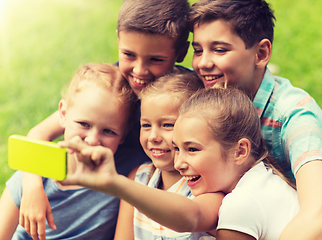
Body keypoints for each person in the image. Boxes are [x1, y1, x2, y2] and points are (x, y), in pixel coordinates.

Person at [18, 0, 191, 239]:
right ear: (119, 40)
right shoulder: (115, 89)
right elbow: (39, 134)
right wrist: (32, 188)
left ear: (181, 52)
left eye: (156, 60)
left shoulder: (185, 95)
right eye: (129, 55)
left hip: (146, 192)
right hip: (98, 188)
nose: (139, 71)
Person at [58, 87, 300, 240]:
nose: (180, 162)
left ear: (240, 151)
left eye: (192, 149)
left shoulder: (241, 203)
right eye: (177, 148)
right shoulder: (262, 177)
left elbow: (192, 215)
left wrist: (114, 183)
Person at [188, 0, 322, 238]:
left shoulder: (294, 115)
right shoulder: (202, 98)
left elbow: (317, 213)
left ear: (261, 53)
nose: (203, 63)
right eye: (197, 50)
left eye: (219, 50)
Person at [0, 63, 138, 240]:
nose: (92, 140)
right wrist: (32, 188)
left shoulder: (127, 176)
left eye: (108, 131)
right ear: (63, 114)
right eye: (84, 124)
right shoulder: (31, 179)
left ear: (124, 134)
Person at [114, 72, 214, 239]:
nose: (153, 136)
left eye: (167, 125)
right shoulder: (138, 179)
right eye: (146, 125)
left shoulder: (205, 188)